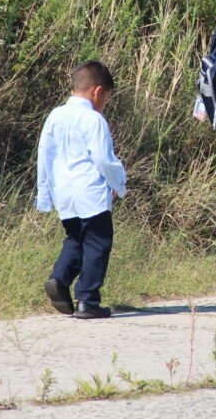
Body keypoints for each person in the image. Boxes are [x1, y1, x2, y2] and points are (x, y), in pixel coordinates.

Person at [36, 60, 127, 319]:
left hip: (63, 192)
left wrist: (45, 194)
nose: (104, 105)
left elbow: (44, 156)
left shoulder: (55, 115)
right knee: (98, 244)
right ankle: (87, 301)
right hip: (90, 191)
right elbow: (103, 159)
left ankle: (59, 279)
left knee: (76, 239)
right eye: (106, 99)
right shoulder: (93, 119)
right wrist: (119, 184)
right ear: (98, 91)